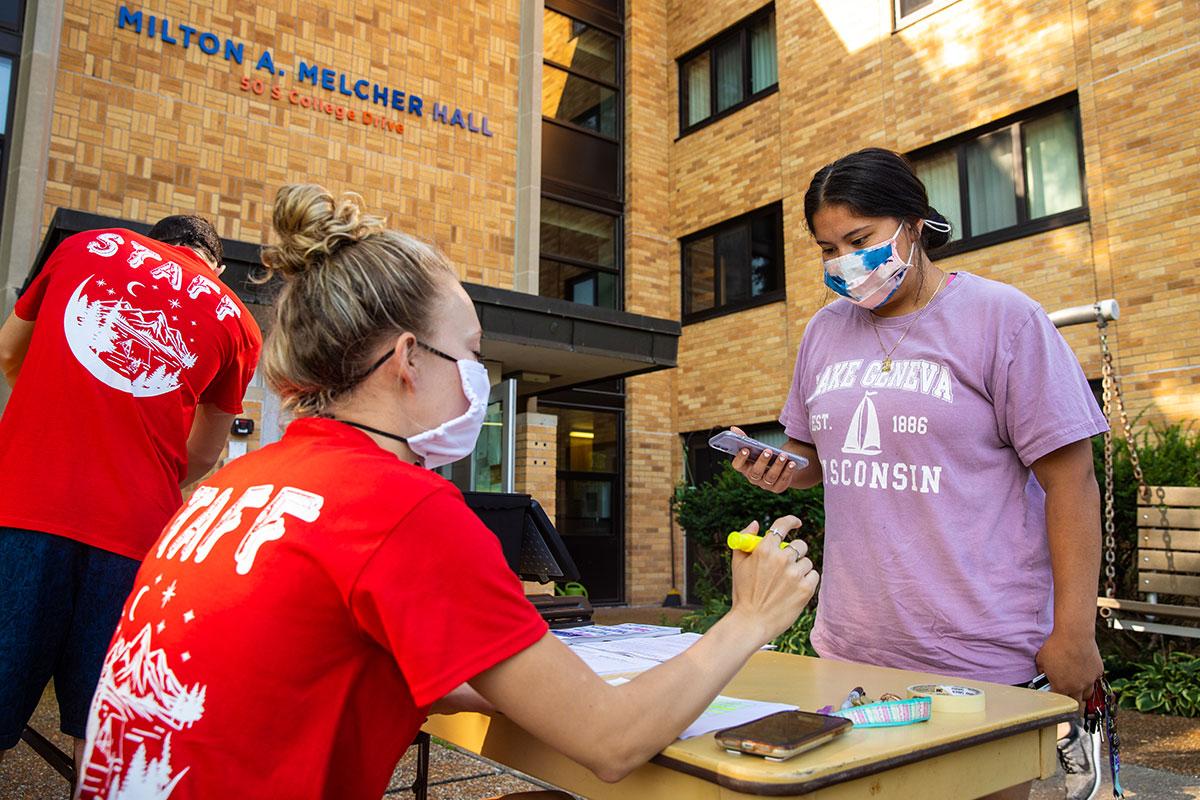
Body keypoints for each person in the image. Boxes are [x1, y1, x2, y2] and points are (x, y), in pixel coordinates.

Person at [73, 184, 820, 800]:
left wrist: (549, 682)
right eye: (468, 352)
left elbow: (337, 664)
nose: (478, 378)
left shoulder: (235, 485)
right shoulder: (396, 506)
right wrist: (750, 616)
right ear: (407, 359)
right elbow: (613, 742)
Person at [730, 148, 1108, 800]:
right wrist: (778, 471)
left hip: (976, 652)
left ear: (913, 222)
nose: (842, 262)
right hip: (852, 643)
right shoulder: (823, 332)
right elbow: (814, 462)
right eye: (826, 248)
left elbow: (1072, 483)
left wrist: (1073, 634)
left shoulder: (1003, 319)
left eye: (858, 240)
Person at [0, 216, 262, 769]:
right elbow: (203, 454)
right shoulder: (236, 320)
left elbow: (7, 354)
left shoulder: (85, 248)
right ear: (214, 265)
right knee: (102, 731)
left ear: (155, 241)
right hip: (134, 537)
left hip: (20, 507)